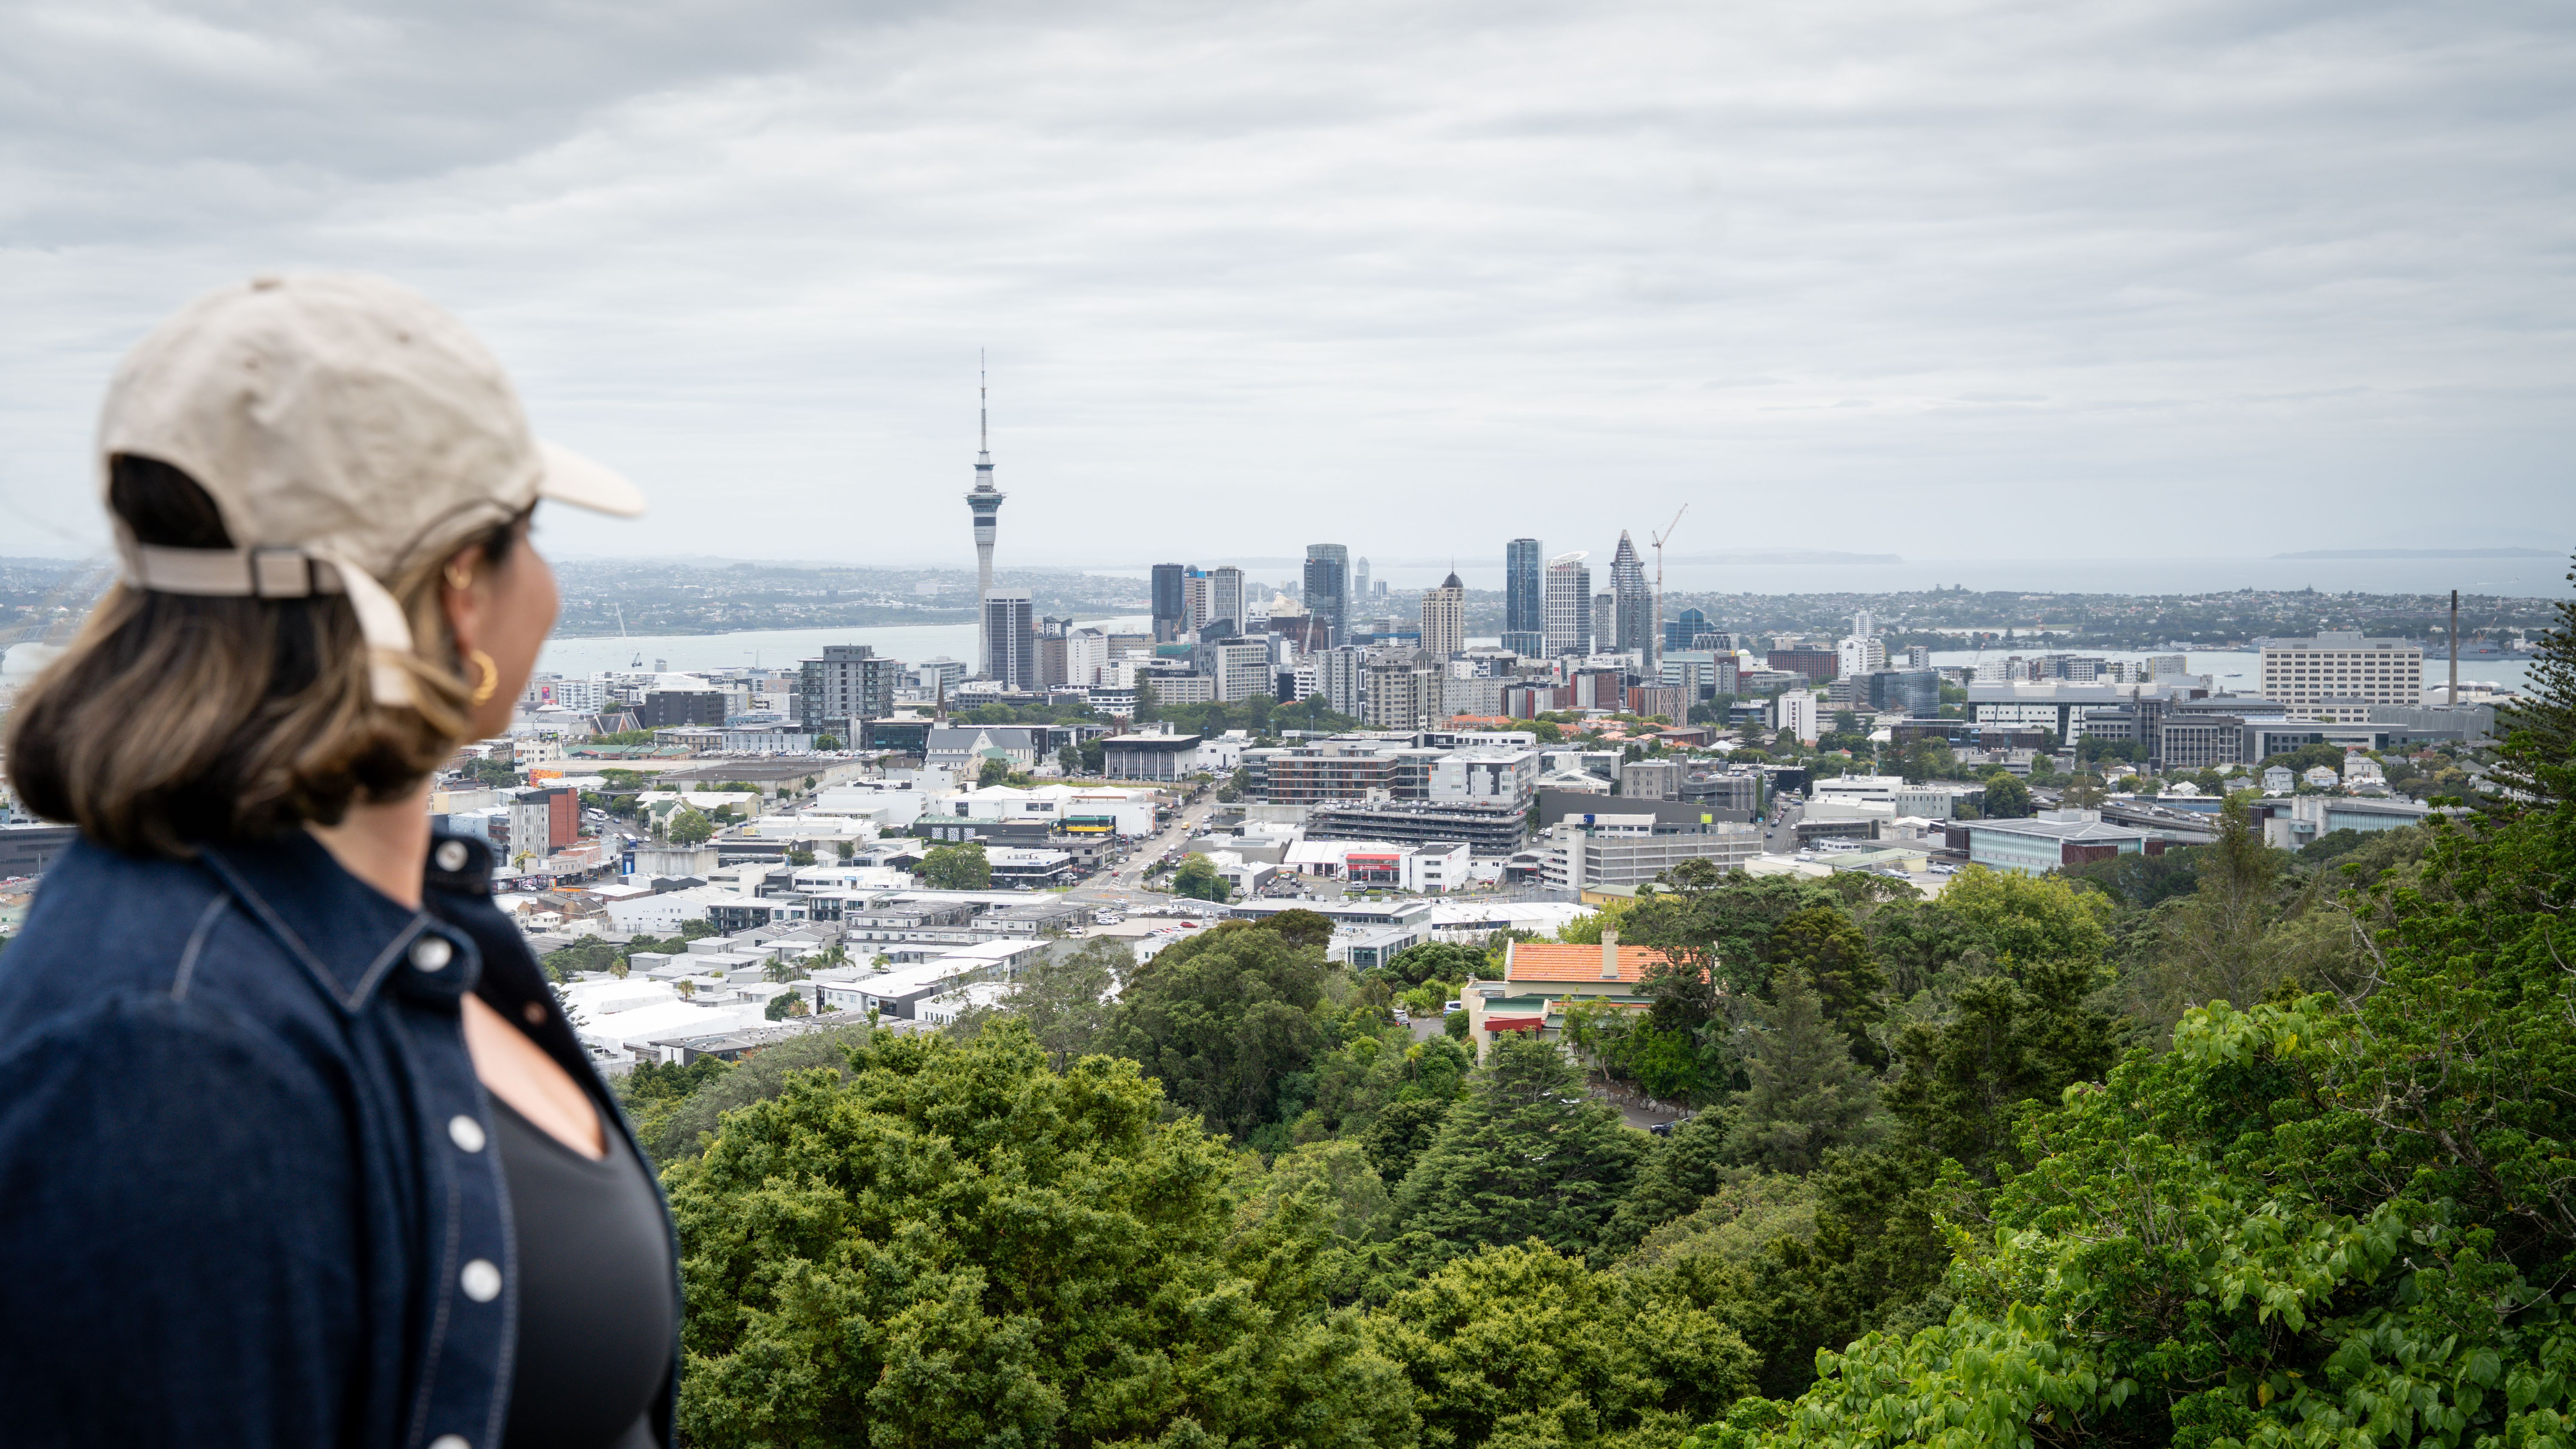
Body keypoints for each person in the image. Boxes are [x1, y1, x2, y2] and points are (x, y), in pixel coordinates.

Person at [0, 275, 675, 1449]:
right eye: (529, 535)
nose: (551, 588)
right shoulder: (169, 1047)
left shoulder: (406, 930)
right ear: (460, 588)